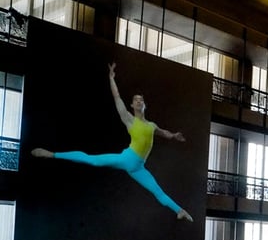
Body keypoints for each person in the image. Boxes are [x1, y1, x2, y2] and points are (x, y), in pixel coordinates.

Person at [31, 62, 193, 222]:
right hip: (127, 158)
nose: (139, 101)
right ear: (132, 105)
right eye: (136, 100)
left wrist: (174, 135)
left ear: (145, 105)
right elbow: (117, 97)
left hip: (138, 168)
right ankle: (52, 154)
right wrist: (111, 78)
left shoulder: (151, 125)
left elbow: (163, 133)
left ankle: (180, 211)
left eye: (141, 100)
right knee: (92, 161)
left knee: (158, 191)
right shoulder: (129, 119)